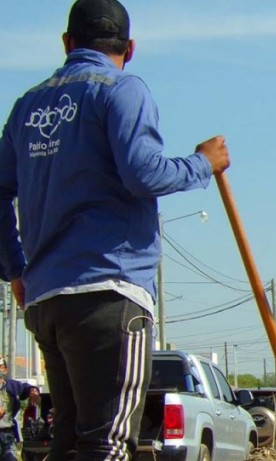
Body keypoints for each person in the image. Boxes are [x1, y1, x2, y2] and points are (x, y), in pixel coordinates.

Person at [0, 1, 230, 459]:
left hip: (48, 301)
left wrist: (16, 270)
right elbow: (143, 174)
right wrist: (203, 163)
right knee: (107, 442)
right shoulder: (121, 90)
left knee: (67, 440)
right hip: (110, 292)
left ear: (67, 44)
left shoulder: (28, 106)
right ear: (131, 48)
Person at [0, 357, 35, 461]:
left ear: (5, 369)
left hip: (8, 434)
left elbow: (27, 388)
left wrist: (33, 391)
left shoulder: (12, 385)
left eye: (1, 366)